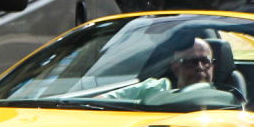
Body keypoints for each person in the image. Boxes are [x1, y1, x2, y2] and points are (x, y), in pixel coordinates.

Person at [98, 35, 234, 106]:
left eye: (205, 62)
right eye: (191, 62)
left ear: (213, 67)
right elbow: (101, 101)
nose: (200, 67)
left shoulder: (226, 100)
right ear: (175, 69)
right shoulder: (153, 88)